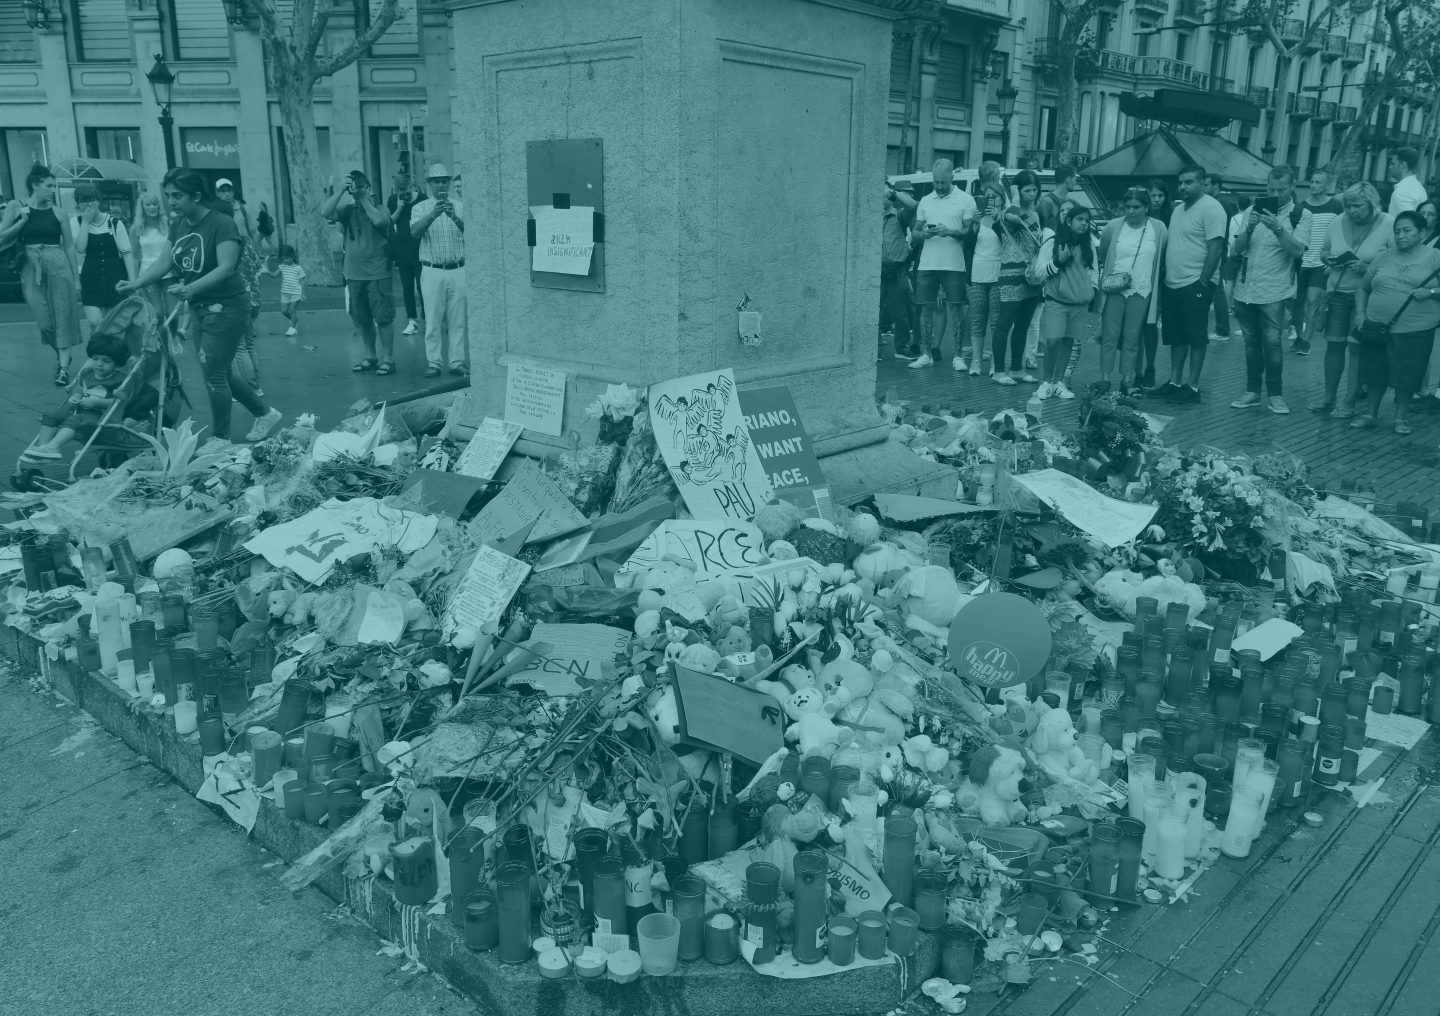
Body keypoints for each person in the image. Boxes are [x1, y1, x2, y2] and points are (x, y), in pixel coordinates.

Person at [117, 168, 281, 443]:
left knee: (214, 375)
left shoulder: (221, 223)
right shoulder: (180, 224)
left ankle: (220, 438)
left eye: (177, 196)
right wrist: (136, 283)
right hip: (200, 307)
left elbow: (227, 267)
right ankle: (264, 413)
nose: (171, 201)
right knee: (220, 371)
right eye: (168, 195)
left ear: (196, 196)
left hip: (227, 307)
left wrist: (190, 287)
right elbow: (164, 262)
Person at [1351, 211, 1440, 434]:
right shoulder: (1383, 256)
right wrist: (1361, 314)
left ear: (1422, 232)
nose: (1401, 235)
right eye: (1397, 231)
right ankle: (1371, 414)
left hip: (1416, 329)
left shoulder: (1435, 257)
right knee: (1374, 372)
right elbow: (1363, 288)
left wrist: (1430, 291)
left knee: (1407, 375)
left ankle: (1400, 418)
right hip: (1376, 326)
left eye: (1407, 230)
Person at [1229, 165, 1308, 415]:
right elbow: (1237, 249)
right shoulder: (1251, 210)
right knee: (1251, 344)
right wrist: (1250, 227)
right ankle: (1252, 391)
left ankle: (1275, 395)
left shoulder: (1301, 215)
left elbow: (1297, 250)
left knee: (1273, 345)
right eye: (1271, 188)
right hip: (1246, 291)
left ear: (1292, 187)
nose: (1276, 193)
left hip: (1275, 291)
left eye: (1281, 189)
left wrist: (1277, 227)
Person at [1310, 183, 1390, 418]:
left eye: (1357, 206)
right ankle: (1329, 398)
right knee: (1333, 346)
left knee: (1357, 350)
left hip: (1367, 298)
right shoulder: (1337, 221)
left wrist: (1366, 267)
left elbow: (1396, 261)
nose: (1352, 211)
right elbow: (1324, 251)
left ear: (1372, 204)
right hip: (1337, 292)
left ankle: (1349, 401)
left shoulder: (1388, 223)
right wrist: (1329, 259)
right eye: (1348, 206)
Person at [0, 165, 83, 386]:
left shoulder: (59, 212)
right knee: (44, 321)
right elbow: (1, 237)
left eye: (54, 186)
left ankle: (63, 367)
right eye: (49, 186)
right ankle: (62, 353)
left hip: (58, 263)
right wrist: (21, 222)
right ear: (35, 185)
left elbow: (70, 247)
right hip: (30, 265)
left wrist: (76, 279)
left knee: (63, 314)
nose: (53, 190)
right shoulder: (16, 206)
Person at [1151, 164, 1227, 403]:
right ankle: (1175, 381)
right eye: (1180, 182)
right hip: (1173, 283)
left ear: (1202, 183)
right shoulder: (1178, 209)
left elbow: (1216, 247)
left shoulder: (1212, 208)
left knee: (1195, 337)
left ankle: (1192, 386)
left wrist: (1203, 283)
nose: (1182, 186)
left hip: (1195, 283)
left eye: (1189, 182)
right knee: (1176, 336)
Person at [323, 169, 397, 376]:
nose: (358, 190)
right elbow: (325, 212)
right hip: (354, 274)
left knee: (383, 318)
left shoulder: (381, 208)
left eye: (362, 186)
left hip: (378, 273)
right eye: (356, 186)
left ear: (369, 189)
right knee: (362, 319)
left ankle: (388, 359)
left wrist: (363, 197)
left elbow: (380, 222)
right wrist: (341, 190)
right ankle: (370, 356)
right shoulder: (348, 211)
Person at [1097, 187, 1167, 394]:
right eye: (1127, 207)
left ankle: (1127, 379)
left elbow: (1161, 258)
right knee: (1110, 335)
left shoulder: (1159, 228)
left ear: (1147, 207)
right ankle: (1104, 378)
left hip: (1141, 290)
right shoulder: (1113, 226)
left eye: (1136, 207)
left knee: (1132, 337)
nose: (1131, 211)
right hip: (1114, 288)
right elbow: (1104, 252)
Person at [20, 332, 132, 461]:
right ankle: (42, 449)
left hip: (101, 416)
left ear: (117, 363)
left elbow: (121, 402)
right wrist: (75, 397)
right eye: (95, 359)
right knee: (50, 414)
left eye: (105, 361)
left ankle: (53, 447)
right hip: (78, 410)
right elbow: (79, 390)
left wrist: (97, 402)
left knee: (75, 420)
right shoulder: (86, 373)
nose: (99, 364)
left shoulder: (119, 380)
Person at [909, 158, 975, 369]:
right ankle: (925, 354)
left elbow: (969, 234)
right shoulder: (926, 200)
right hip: (928, 263)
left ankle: (958, 356)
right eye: (936, 182)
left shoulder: (966, 200)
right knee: (925, 308)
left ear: (952, 178)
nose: (939, 187)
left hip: (954, 264)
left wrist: (950, 232)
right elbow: (915, 234)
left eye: (943, 183)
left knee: (956, 308)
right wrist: (924, 234)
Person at [1034, 205, 1099, 400]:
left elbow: (1094, 271)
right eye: (1080, 219)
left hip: (1080, 304)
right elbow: (1039, 272)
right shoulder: (1053, 243)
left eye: (1086, 221)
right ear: (1068, 221)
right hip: (1056, 301)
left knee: (1069, 342)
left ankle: (1058, 383)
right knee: (1053, 341)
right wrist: (1058, 261)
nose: (1084, 224)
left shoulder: (1089, 246)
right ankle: (1046, 382)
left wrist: (1093, 290)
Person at [410, 163, 469, 378]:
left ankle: (457, 362)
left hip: (458, 268)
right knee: (433, 320)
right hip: (432, 270)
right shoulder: (421, 207)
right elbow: (415, 233)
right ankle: (434, 362)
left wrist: (454, 217)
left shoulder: (461, 206)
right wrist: (433, 214)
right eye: (437, 181)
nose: (441, 185)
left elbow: (472, 234)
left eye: (445, 181)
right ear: (430, 184)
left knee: (458, 321)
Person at [990, 170, 1043, 386]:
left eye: (1034, 190)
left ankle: (1017, 368)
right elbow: (1013, 215)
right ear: (1018, 191)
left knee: (1023, 325)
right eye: (1027, 190)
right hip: (1011, 275)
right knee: (1004, 324)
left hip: (1031, 276)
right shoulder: (1008, 213)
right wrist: (1013, 196)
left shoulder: (1036, 214)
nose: (1032, 194)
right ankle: (998, 371)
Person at [72, 185, 136, 335]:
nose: (89, 205)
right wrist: (86, 222)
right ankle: (96, 353)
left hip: (114, 274)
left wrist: (133, 281)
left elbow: (127, 253)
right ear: (78, 203)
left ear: (98, 201)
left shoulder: (114, 223)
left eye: (92, 200)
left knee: (113, 322)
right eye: (84, 201)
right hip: (91, 275)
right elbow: (80, 248)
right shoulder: (76, 223)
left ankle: (111, 356)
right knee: (95, 321)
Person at [1292, 169, 1342, 355]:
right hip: (1300, 261)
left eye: (1318, 182)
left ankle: (1306, 340)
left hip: (1321, 263)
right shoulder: (1300, 207)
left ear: (1327, 185)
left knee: (1313, 300)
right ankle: (1298, 336)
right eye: (1312, 182)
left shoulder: (1336, 207)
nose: (1313, 185)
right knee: (1298, 301)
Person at [966, 171, 1007, 377]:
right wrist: (973, 225)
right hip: (978, 272)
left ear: (1001, 199)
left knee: (996, 321)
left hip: (998, 273)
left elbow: (1007, 242)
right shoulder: (979, 219)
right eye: (986, 196)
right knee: (977, 319)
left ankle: (995, 363)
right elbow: (968, 245)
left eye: (994, 196)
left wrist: (997, 219)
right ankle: (975, 361)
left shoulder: (1006, 218)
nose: (990, 199)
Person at [1136, 177, 1174, 386]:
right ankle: (1135, 370)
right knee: (1137, 325)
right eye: (1153, 195)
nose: (1157, 199)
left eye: (1161, 195)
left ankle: (1150, 367)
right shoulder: (1140, 217)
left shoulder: (1172, 218)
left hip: (1163, 280)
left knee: (1150, 326)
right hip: (1141, 277)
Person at [880, 181, 918, 360]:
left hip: (897, 270)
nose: (882, 197)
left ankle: (901, 347)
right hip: (875, 271)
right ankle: (874, 349)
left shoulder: (899, 216)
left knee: (900, 312)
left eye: (885, 194)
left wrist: (893, 192)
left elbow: (913, 205)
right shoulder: (869, 217)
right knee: (873, 312)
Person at [387, 171, 424, 337]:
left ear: (412, 186)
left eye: (408, 193)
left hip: (421, 249)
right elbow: (389, 223)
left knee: (423, 287)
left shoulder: (423, 199)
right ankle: (412, 320)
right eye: (402, 194)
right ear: (396, 191)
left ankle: (427, 316)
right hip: (402, 251)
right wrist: (399, 209)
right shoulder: (393, 201)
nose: (406, 196)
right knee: (407, 287)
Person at [1203, 175, 1237, 344]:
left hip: (1218, 250)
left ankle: (1222, 329)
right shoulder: (1222, 202)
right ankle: (1221, 328)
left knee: (1217, 290)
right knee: (1217, 289)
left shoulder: (1219, 203)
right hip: (1221, 250)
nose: (1203, 187)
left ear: (1215, 185)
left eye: (1206, 184)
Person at [130, 191, 170, 315]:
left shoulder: (167, 225)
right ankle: (158, 335)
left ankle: (174, 335)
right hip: (148, 275)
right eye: (148, 204)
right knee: (157, 313)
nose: (152, 207)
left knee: (173, 314)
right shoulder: (135, 229)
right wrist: (134, 281)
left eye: (155, 204)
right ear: (142, 208)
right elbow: (135, 257)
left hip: (169, 274)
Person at [265, 244, 306, 336]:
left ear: (292, 257)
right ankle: (294, 319)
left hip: (296, 293)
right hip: (285, 293)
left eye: (286, 258)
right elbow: (274, 275)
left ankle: (293, 328)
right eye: (283, 259)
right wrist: (267, 271)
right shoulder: (282, 266)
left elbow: (302, 281)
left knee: (292, 310)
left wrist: (303, 293)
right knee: (284, 311)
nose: (284, 261)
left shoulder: (298, 268)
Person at [1036, 165, 1077, 233]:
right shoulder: (1047, 202)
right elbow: (1039, 229)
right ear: (1068, 180)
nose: (1075, 182)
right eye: (1074, 179)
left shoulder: (1072, 202)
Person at [1387, 148, 1428, 216]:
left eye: (1393, 164)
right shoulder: (1418, 187)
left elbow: (1405, 223)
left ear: (1403, 165)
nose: (1389, 167)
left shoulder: (1402, 193)